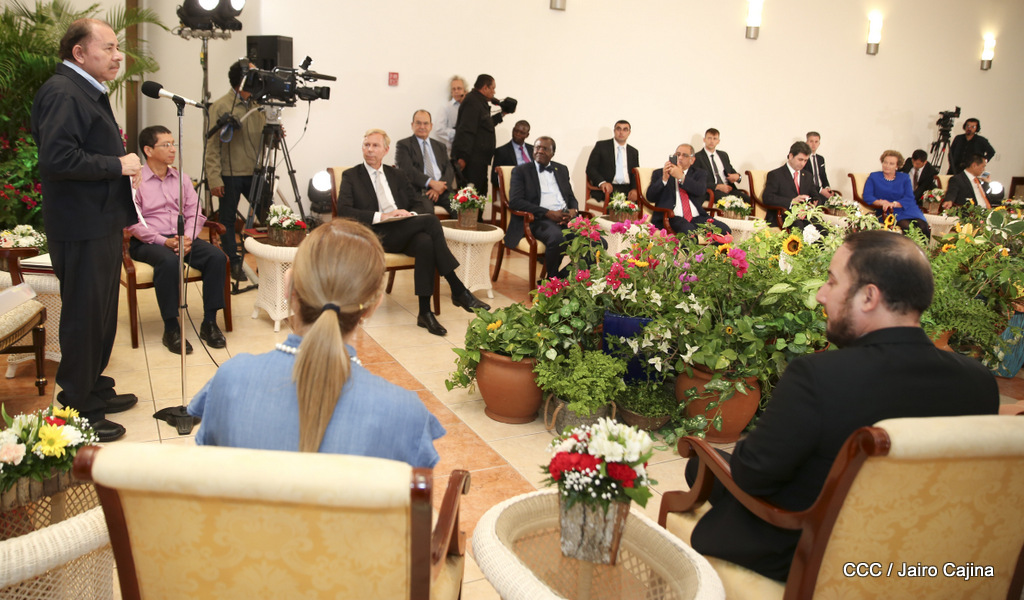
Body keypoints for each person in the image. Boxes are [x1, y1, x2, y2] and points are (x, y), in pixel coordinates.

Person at [686, 230, 999, 582]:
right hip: (925, 559)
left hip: (814, 558)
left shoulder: (818, 376)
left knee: (702, 465)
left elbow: (751, 474)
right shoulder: (979, 383)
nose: (821, 294)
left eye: (832, 281)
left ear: (869, 297)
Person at [188, 219, 445, 467]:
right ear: (373, 305)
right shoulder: (405, 414)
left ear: (289, 287)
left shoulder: (230, 380)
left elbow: (209, 480)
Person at [31, 18, 141, 443]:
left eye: (117, 47)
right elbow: (57, 159)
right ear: (79, 53)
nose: (118, 56)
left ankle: (93, 387)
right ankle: (78, 407)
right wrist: (118, 164)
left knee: (101, 315)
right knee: (83, 316)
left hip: (99, 221)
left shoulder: (84, 89)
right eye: (108, 47)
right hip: (80, 226)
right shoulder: (63, 91)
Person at [337, 129, 489, 336]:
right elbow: (344, 211)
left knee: (426, 242)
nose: (370, 150)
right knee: (431, 221)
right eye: (366, 145)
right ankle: (458, 289)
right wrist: (384, 216)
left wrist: (409, 214)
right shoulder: (351, 176)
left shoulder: (397, 174)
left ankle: (425, 313)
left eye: (375, 145)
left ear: (386, 150)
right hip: (373, 234)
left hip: (402, 229)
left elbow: (417, 202)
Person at [128, 125, 228, 355]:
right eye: (166, 145)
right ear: (148, 150)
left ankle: (209, 323)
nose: (173, 149)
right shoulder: (135, 181)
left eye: (173, 144)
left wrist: (188, 238)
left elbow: (195, 211)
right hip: (149, 241)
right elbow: (133, 222)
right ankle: (171, 328)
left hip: (183, 236)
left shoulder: (181, 178)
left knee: (216, 257)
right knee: (169, 262)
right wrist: (162, 241)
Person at [206, 59, 266, 283]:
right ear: (242, 80)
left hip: (255, 173)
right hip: (230, 174)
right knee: (228, 220)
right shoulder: (221, 106)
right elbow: (212, 145)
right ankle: (234, 262)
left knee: (269, 215)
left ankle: (266, 262)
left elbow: (261, 140)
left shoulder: (257, 107)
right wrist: (214, 178)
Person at [506, 136, 581, 279]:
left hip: (565, 218)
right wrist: (547, 213)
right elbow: (515, 202)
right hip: (538, 219)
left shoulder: (562, 169)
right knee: (558, 238)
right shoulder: (521, 171)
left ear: (553, 153)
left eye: (545, 149)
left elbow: (571, 197)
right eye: (537, 147)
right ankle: (552, 282)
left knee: (596, 242)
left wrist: (573, 211)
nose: (540, 151)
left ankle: (563, 278)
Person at [646, 144, 731, 236]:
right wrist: (664, 179)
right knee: (689, 232)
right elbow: (650, 197)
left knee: (725, 231)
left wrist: (681, 177)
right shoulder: (660, 173)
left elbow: (700, 190)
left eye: (685, 155)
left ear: (692, 160)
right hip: (671, 217)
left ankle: (710, 246)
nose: (680, 158)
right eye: (678, 154)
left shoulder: (699, 173)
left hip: (696, 217)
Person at [395, 110, 456, 217]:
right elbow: (407, 170)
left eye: (426, 123)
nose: (422, 126)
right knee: (427, 214)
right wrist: (431, 183)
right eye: (418, 123)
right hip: (419, 192)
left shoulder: (440, 146)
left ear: (431, 126)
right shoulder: (403, 145)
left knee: (462, 209)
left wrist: (439, 187)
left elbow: (449, 169)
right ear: (412, 125)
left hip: (442, 191)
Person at [452, 74, 504, 193]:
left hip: (479, 161)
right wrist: (463, 157)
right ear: (485, 88)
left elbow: (486, 125)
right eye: (493, 88)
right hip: (471, 161)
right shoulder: (472, 102)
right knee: (471, 197)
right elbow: (466, 131)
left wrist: (503, 114)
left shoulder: (479, 102)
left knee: (480, 195)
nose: (494, 92)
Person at [863, 150, 931, 237]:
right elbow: (867, 196)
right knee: (906, 226)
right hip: (888, 211)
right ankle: (907, 246)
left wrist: (894, 204)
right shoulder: (874, 176)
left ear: (897, 166)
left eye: (891, 164)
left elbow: (909, 198)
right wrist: (881, 202)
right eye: (885, 162)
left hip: (906, 208)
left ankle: (924, 246)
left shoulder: (904, 177)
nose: (887, 166)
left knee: (923, 226)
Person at [761, 141, 825, 228]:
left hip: (805, 215)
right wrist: (791, 201)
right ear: (791, 156)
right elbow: (767, 198)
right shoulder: (776, 174)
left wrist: (814, 205)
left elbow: (816, 196)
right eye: (800, 159)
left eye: (805, 160)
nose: (803, 163)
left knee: (823, 228)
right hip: (784, 215)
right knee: (799, 226)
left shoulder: (807, 176)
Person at [585, 120, 640, 205]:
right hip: (608, 189)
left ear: (629, 132)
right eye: (618, 129)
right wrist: (602, 183)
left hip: (627, 189)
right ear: (614, 131)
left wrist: (635, 189)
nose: (621, 132)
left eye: (625, 129)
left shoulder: (633, 152)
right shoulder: (601, 146)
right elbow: (590, 169)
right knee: (616, 206)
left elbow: (635, 173)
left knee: (640, 202)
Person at [694, 128, 747, 202]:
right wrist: (717, 186)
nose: (712, 141)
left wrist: (738, 177)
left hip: (728, 189)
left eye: (714, 138)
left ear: (718, 141)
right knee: (731, 201)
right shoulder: (697, 157)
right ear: (704, 140)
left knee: (748, 200)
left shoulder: (723, 155)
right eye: (709, 138)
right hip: (712, 191)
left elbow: (731, 171)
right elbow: (696, 180)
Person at [491, 120, 533, 190]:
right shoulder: (501, 151)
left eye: (522, 133)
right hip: (516, 188)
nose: (517, 134)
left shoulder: (533, 150)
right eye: (516, 131)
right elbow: (494, 178)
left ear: (527, 135)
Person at [433, 75, 466, 153]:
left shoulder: (470, 107)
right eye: (454, 89)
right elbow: (439, 129)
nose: (456, 91)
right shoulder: (446, 107)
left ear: (464, 90)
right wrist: (458, 134)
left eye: (459, 88)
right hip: (453, 151)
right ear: (451, 92)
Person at [801, 131, 834, 198]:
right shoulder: (803, 159)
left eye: (816, 142)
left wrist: (827, 187)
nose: (814, 144)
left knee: (837, 200)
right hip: (810, 191)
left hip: (822, 190)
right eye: (811, 141)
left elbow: (823, 175)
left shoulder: (820, 159)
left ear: (819, 143)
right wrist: (820, 190)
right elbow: (804, 180)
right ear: (806, 143)